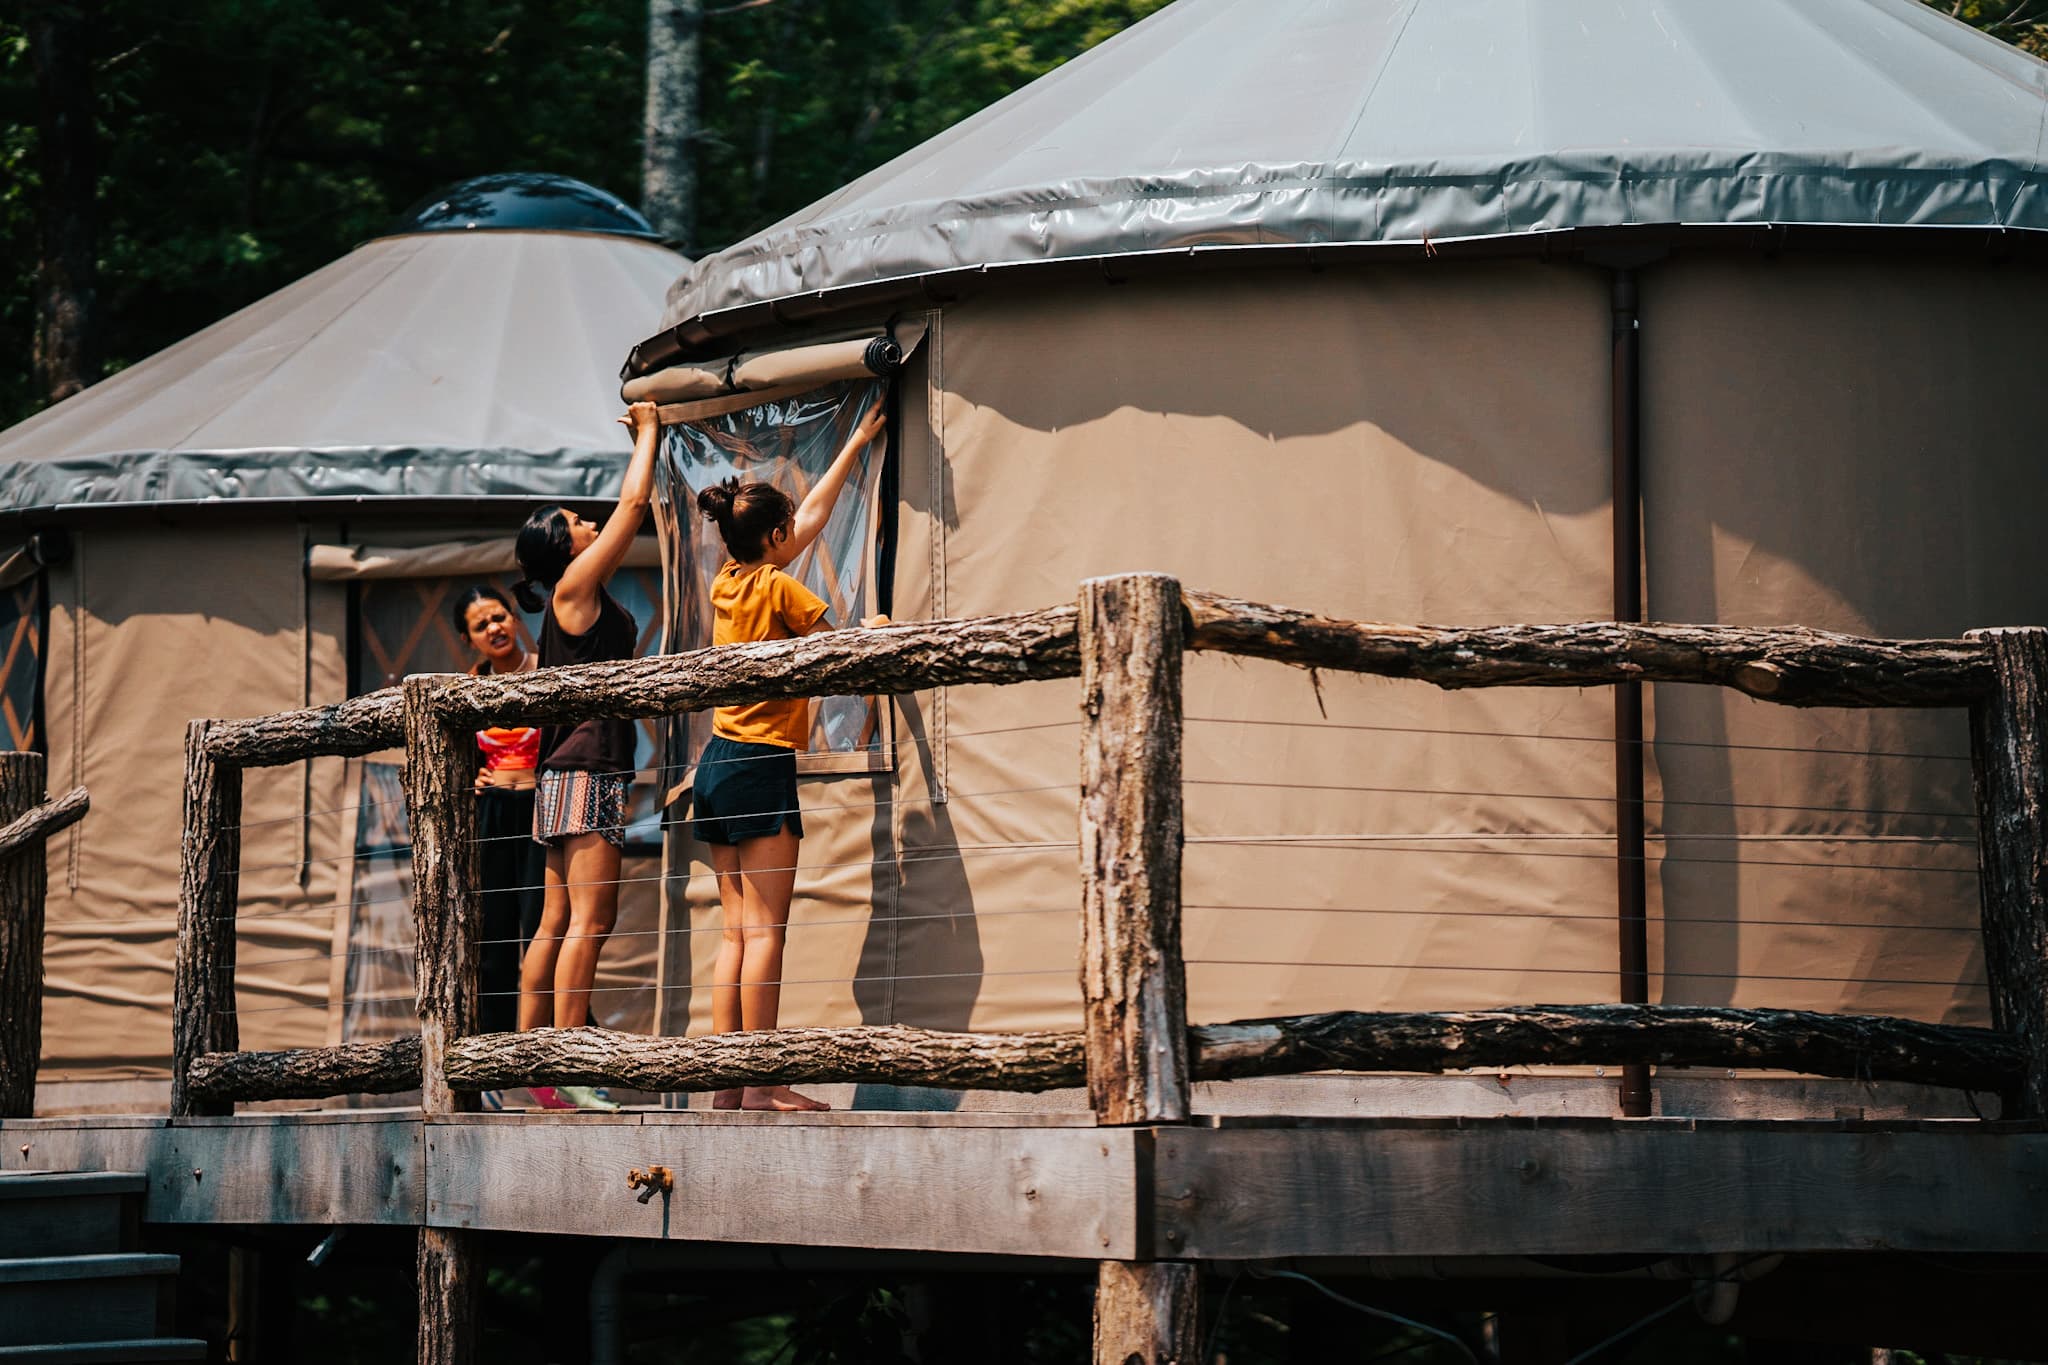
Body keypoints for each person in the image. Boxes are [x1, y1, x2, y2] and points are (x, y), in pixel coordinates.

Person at [693, 398, 889, 1111]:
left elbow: (800, 523)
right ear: (774, 537)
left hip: (716, 763)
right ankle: (767, 1081)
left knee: (734, 932)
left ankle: (727, 1084)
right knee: (768, 929)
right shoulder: (781, 586)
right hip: (762, 764)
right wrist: (875, 627)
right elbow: (836, 647)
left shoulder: (730, 580)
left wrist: (854, 444)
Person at [510, 399, 660, 1109]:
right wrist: (651, 433)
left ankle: (532, 1064)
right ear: (565, 547)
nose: (586, 519)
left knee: (554, 921)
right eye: (574, 520)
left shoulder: (567, 599)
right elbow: (633, 505)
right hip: (590, 765)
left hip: (558, 771)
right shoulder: (573, 589)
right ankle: (569, 1062)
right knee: (590, 921)